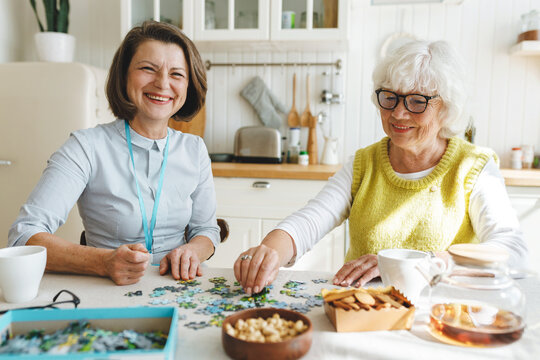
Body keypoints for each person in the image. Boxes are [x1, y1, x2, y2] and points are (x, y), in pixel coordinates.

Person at [234, 40, 528, 295]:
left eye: (417, 101)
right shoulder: (365, 163)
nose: (398, 113)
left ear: (446, 108)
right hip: (364, 315)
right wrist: (268, 253)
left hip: (440, 317)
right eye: (390, 97)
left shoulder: (474, 167)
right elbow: (310, 220)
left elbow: (512, 253)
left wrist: (420, 264)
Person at [8, 21, 220, 285]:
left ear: (188, 86)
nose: (163, 83)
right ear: (124, 76)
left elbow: (206, 230)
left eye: (177, 74)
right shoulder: (85, 146)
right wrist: (102, 262)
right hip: (106, 288)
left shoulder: (195, 149)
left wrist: (194, 251)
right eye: (147, 69)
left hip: (179, 287)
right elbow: (23, 236)